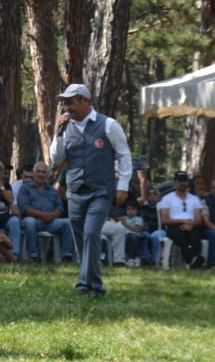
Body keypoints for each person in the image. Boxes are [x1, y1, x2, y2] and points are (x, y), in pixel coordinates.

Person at [49, 82, 132, 297]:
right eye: (64, 103)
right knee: (80, 238)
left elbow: (123, 154)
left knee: (91, 233)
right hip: (75, 191)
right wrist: (57, 135)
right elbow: (56, 159)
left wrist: (123, 185)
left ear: (85, 101)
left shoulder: (108, 125)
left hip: (101, 191)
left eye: (71, 102)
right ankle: (94, 284)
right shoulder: (66, 129)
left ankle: (84, 283)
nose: (67, 108)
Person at [16, 161, 74, 262]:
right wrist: (43, 216)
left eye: (43, 172)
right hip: (32, 220)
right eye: (38, 172)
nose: (41, 174)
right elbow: (25, 208)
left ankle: (67, 256)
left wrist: (50, 216)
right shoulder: (25, 189)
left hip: (50, 222)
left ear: (47, 175)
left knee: (67, 223)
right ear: (34, 173)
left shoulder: (52, 190)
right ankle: (34, 257)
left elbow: (60, 209)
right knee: (30, 222)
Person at [157, 171, 208, 268]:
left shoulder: (194, 199)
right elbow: (164, 220)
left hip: (191, 225)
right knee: (180, 236)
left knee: (195, 235)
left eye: (184, 180)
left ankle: (193, 262)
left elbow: (199, 220)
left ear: (188, 182)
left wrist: (191, 225)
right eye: (179, 181)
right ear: (175, 182)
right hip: (174, 226)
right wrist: (182, 221)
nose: (182, 183)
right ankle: (192, 260)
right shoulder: (167, 199)